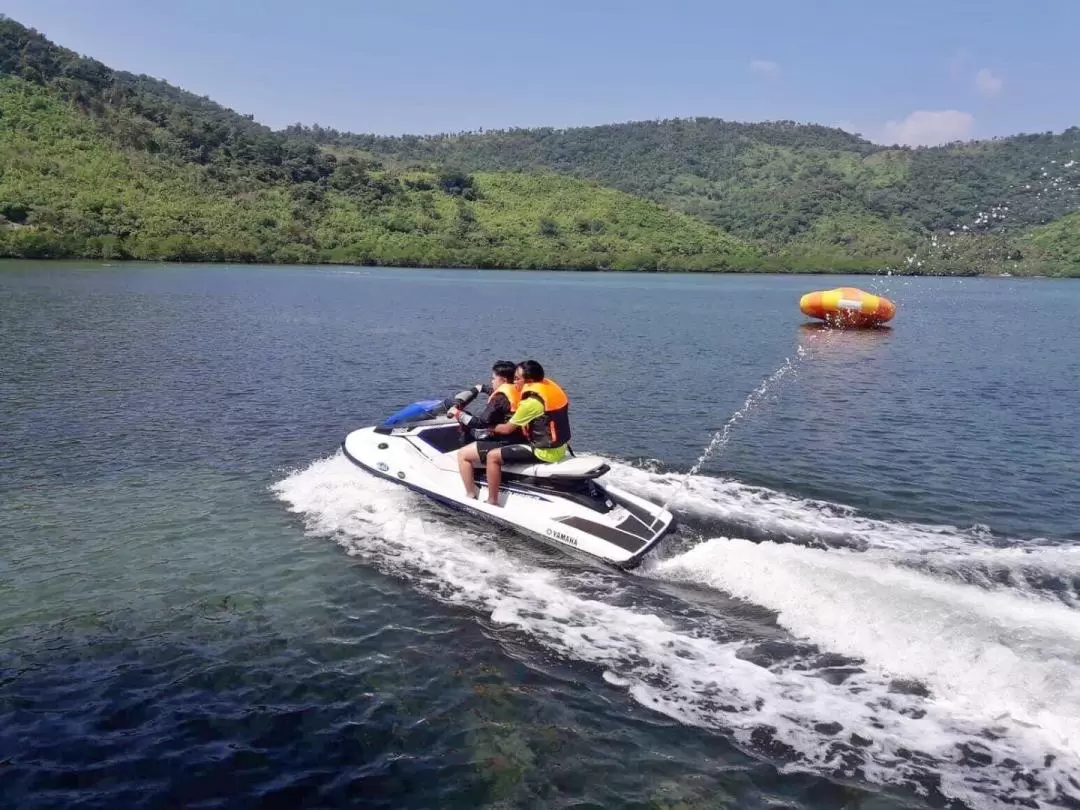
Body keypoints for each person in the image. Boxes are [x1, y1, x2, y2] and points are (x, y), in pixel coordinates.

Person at [468, 359, 572, 505]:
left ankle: (492, 500)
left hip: (543, 452)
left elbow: (507, 429)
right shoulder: (549, 389)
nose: (514, 382)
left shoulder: (530, 403)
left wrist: (490, 428)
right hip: (561, 447)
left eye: (517, 379)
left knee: (493, 456)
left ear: (528, 380)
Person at [447, 360, 519, 431]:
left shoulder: (499, 399)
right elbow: (490, 390)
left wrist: (458, 413)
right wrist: (479, 388)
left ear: (504, 380)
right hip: (516, 434)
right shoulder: (516, 390)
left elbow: (480, 423)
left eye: (493, 378)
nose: (492, 381)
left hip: (502, 439)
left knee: (467, 418)